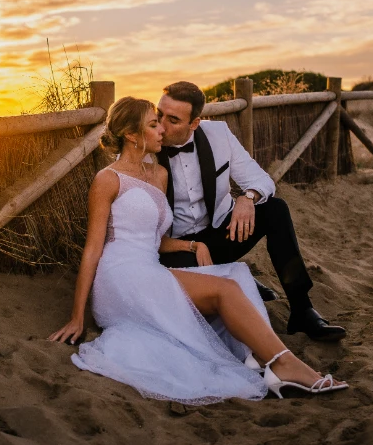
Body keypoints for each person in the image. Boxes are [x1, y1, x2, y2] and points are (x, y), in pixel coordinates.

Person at [49, 97, 347, 405]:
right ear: (131, 135)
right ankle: (285, 366)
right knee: (225, 290)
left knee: (237, 274)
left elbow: (157, 240)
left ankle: (261, 356)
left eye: (165, 122)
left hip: (150, 267)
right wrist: (77, 317)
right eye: (154, 124)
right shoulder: (107, 179)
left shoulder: (159, 175)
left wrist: (193, 244)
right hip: (121, 276)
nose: (161, 129)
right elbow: (93, 248)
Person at [156, 81, 346, 342]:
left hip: (221, 234)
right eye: (159, 115)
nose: (161, 126)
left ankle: (302, 309)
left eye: (173, 120)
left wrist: (247, 198)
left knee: (275, 210)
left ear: (195, 123)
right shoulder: (146, 146)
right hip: (179, 250)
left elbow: (261, 179)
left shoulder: (219, 134)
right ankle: (236, 276)